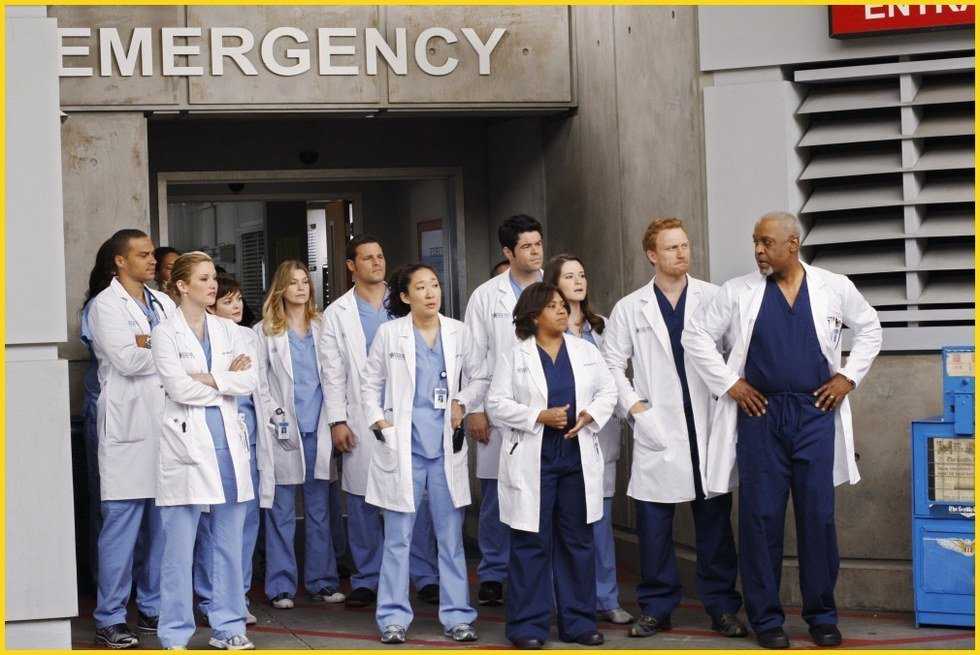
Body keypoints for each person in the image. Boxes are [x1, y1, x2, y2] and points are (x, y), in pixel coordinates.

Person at [683, 212, 882, 649]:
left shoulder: (833, 286)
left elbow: (870, 328)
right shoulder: (737, 291)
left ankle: (822, 617)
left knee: (818, 518)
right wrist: (730, 383)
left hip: (815, 413)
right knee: (760, 520)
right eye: (755, 241)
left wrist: (848, 377)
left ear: (793, 244)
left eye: (766, 242)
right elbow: (694, 335)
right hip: (761, 416)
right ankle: (767, 621)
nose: (758, 250)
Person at [603, 218, 747, 640]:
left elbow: (735, 352)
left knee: (715, 527)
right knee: (654, 528)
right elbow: (611, 365)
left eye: (685, 245)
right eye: (671, 248)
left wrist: (727, 397)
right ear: (652, 255)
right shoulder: (630, 307)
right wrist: (635, 408)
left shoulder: (713, 297)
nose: (682, 253)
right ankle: (656, 608)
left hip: (707, 424)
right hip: (659, 427)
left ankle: (722, 607)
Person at [486, 282, 618, 649]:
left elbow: (608, 390)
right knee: (531, 543)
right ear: (533, 316)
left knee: (578, 542)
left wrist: (590, 414)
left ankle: (579, 623)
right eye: (553, 306)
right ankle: (527, 626)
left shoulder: (585, 351)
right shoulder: (515, 356)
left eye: (563, 305)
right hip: (535, 460)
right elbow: (496, 403)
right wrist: (538, 415)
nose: (562, 310)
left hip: (576, 459)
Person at [361, 264, 488, 644]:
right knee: (398, 538)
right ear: (405, 297)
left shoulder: (458, 332)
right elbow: (369, 383)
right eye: (421, 287)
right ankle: (393, 618)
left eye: (435, 285)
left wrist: (462, 401)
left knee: (450, 539)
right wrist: (379, 421)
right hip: (404, 447)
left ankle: (457, 616)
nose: (431, 293)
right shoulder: (390, 334)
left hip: (444, 448)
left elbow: (481, 376)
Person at [320, 236, 440, 610]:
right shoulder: (337, 313)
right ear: (351, 266)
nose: (376, 262)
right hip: (361, 415)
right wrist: (338, 420)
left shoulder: (406, 300)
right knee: (361, 500)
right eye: (368, 258)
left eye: (381, 255)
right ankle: (367, 578)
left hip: (410, 415)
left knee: (414, 497)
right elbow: (332, 373)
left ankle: (424, 575)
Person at [151, 253, 257, 650]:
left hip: (228, 445)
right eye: (204, 279)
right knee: (179, 548)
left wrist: (208, 378)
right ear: (182, 286)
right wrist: (224, 381)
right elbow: (178, 388)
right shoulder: (165, 332)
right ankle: (175, 632)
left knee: (228, 544)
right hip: (186, 446)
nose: (213, 285)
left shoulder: (229, 330)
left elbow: (249, 380)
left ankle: (228, 626)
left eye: (213, 278)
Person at [87, 229, 177, 648]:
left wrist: (154, 347)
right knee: (121, 530)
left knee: (162, 529)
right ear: (120, 261)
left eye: (152, 254)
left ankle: (152, 607)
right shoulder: (105, 305)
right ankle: (110, 616)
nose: (152, 260)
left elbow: (180, 348)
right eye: (142, 255)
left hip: (166, 430)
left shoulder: (161, 302)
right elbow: (126, 359)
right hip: (127, 431)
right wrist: (166, 352)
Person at [544, 254, 632, 626]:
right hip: (558, 436)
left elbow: (614, 377)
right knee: (561, 525)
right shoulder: (546, 331)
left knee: (600, 522)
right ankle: (561, 600)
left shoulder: (603, 326)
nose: (578, 281)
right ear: (553, 285)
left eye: (582, 274)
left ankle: (605, 598)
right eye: (569, 276)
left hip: (597, 435)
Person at [463, 214, 544, 606]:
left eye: (538, 244)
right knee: (498, 495)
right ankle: (494, 572)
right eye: (526, 246)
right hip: (498, 410)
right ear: (508, 252)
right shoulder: (485, 296)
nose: (535, 252)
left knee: (543, 493)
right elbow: (474, 357)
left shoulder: (553, 287)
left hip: (545, 409)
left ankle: (538, 573)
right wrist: (475, 409)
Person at [254, 260, 344, 609]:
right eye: (293, 282)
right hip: (282, 431)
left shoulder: (323, 327)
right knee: (281, 511)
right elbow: (259, 384)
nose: (301, 288)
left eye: (305, 281)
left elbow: (334, 377)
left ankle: (322, 581)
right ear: (281, 288)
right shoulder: (264, 332)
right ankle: (280, 586)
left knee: (320, 510)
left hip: (318, 428)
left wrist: (336, 419)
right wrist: (276, 416)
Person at [194, 275, 273, 627]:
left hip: (249, 438)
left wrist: (221, 378)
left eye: (239, 298)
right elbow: (195, 381)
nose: (237, 305)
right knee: (213, 523)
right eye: (228, 301)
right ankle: (210, 597)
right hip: (214, 438)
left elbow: (251, 382)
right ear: (211, 308)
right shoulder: (198, 337)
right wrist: (226, 375)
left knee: (246, 522)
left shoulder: (248, 336)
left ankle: (237, 596)